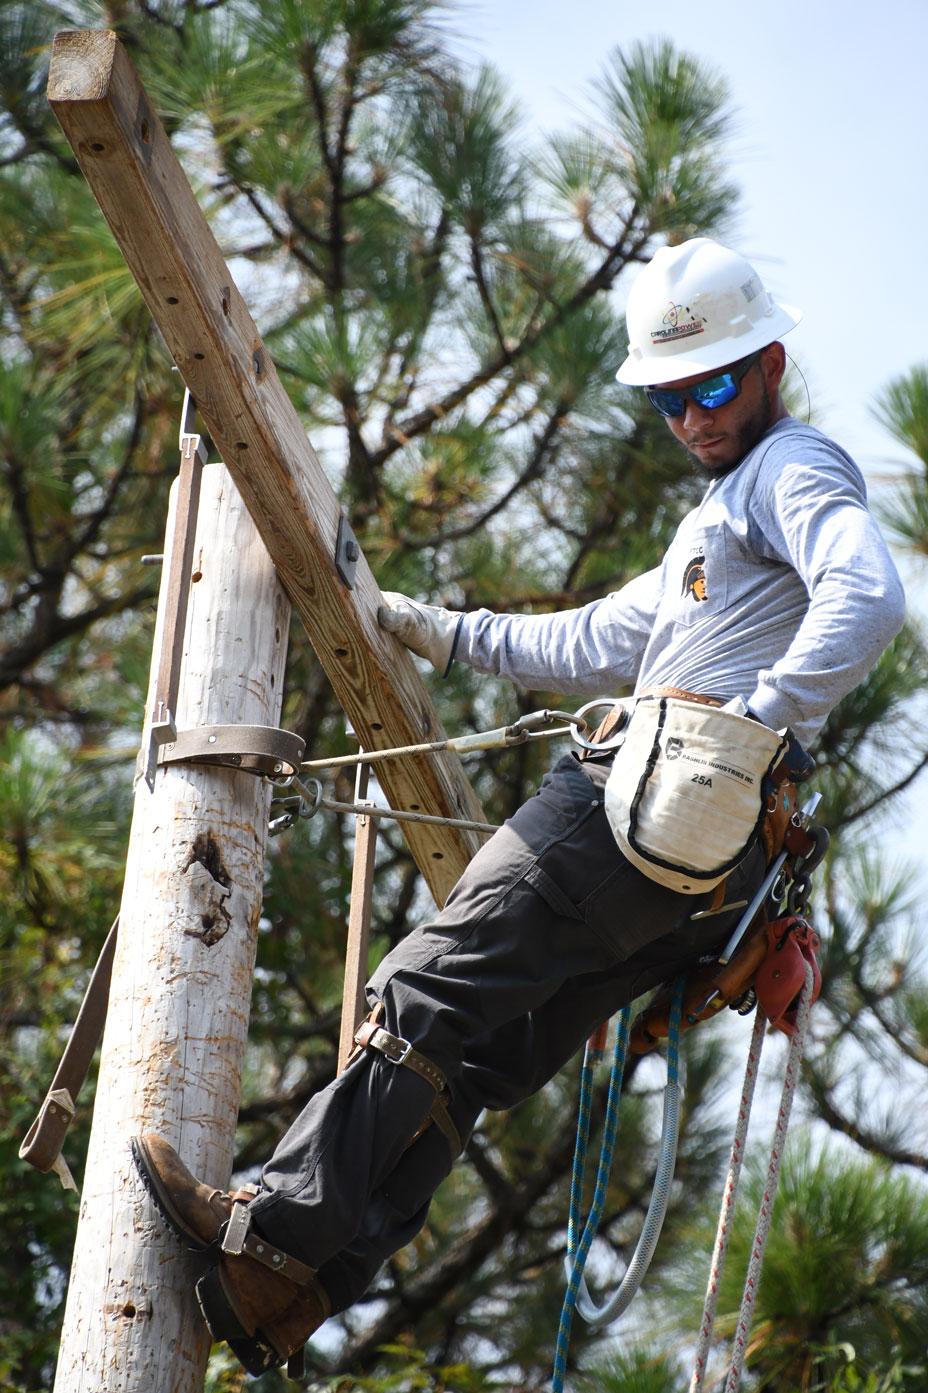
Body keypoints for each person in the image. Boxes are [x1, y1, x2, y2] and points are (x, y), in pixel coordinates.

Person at [133, 238, 906, 1377]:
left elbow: (870, 594)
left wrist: (755, 720)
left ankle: (277, 1223)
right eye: (668, 400)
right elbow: (598, 638)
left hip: (650, 804)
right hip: (699, 873)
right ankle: (296, 1288)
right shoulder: (722, 519)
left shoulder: (790, 468)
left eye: (712, 386)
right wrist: (440, 631)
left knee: (426, 989)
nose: (693, 417)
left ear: (770, 366)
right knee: (478, 1060)